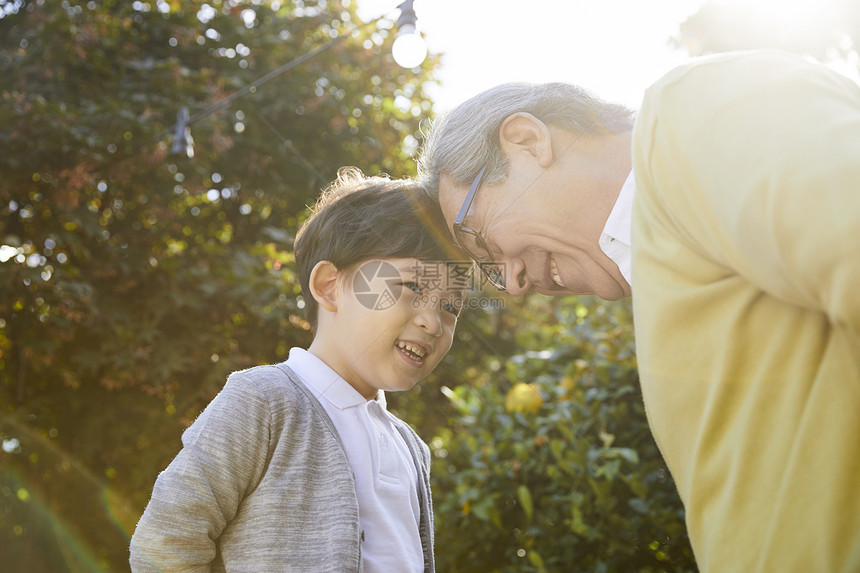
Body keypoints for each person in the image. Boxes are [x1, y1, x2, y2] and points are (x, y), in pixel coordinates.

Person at [416, 49, 860, 572]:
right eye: (489, 270)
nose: (510, 283)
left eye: (481, 242)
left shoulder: (692, 113)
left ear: (528, 141)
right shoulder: (655, 271)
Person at [129, 167, 467, 572]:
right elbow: (164, 542)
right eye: (412, 286)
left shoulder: (410, 446)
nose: (433, 321)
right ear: (329, 286)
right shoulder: (264, 402)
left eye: (451, 306)